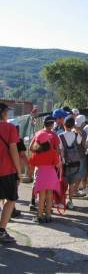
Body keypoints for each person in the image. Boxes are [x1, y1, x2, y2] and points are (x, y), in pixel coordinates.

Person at [28, 115, 60, 211]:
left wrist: (37, 155)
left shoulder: (38, 133)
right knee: (49, 187)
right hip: (50, 165)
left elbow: (30, 147)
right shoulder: (54, 136)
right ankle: (47, 207)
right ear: (52, 124)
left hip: (39, 165)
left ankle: (33, 202)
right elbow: (58, 151)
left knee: (36, 183)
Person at [0, 103, 21, 243]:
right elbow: (14, 150)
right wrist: (19, 172)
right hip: (6, 170)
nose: (8, 114)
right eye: (7, 111)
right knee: (11, 199)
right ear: (3, 113)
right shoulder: (10, 128)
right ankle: (1, 231)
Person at [59, 115, 82, 210]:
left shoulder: (60, 136)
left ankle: (62, 201)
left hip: (64, 164)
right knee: (71, 184)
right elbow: (80, 142)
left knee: (63, 183)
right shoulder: (77, 135)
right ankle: (71, 201)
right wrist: (76, 129)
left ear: (64, 124)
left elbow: (60, 150)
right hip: (75, 163)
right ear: (73, 126)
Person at [73, 114, 88, 197]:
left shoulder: (71, 130)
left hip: (71, 156)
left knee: (72, 174)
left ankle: (71, 190)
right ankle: (75, 191)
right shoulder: (83, 133)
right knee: (79, 174)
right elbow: (83, 145)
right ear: (82, 123)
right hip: (80, 156)